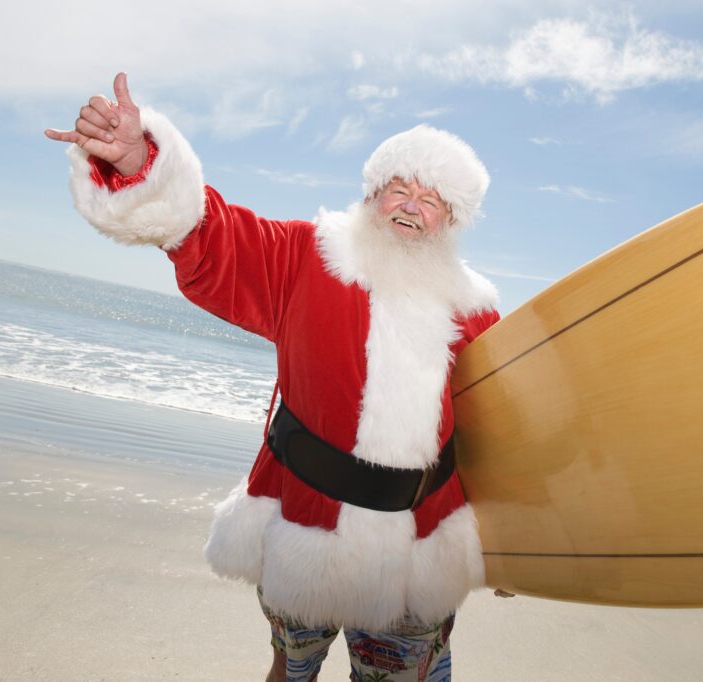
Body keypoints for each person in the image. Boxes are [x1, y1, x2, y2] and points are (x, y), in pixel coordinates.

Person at [46, 72, 500, 682]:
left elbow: (500, 433)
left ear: (452, 219)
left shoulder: (475, 310)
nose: (412, 207)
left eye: (432, 198)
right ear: (372, 195)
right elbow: (216, 239)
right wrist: (140, 164)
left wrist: (519, 545)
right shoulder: (304, 255)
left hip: (419, 554)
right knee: (291, 670)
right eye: (400, 189)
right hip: (301, 528)